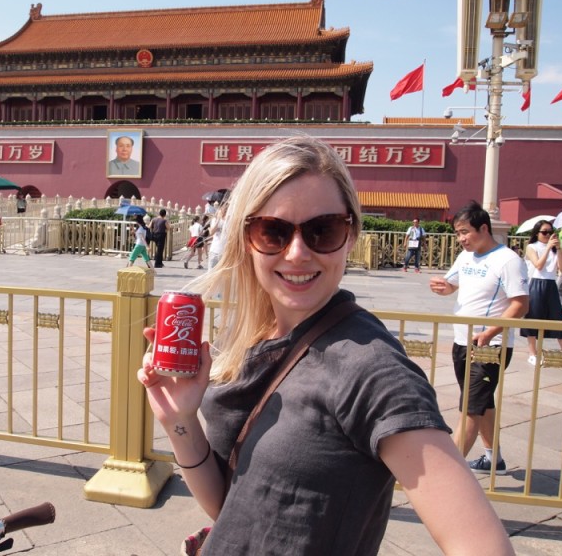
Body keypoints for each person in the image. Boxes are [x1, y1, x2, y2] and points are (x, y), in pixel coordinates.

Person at [139, 138, 514, 555]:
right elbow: (231, 507)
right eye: (273, 231)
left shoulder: (370, 368)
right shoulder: (253, 338)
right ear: (246, 238)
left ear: (350, 234)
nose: (297, 253)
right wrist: (181, 420)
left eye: (323, 230)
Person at [430, 201, 529, 473]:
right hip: (463, 341)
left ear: (484, 228)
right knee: (481, 402)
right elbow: (454, 285)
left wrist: (490, 331)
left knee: (470, 408)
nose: (461, 238)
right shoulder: (466, 257)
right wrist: (445, 287)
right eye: (457, 233)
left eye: (465, 232)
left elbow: (520, 304)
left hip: (490, 347)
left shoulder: (508, 260)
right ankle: (493, 458)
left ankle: (447, 473)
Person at [521, 221, 562, 366]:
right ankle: (532, 353)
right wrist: (548, 248)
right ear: (537, 233)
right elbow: (538, 265)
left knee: (557, 318)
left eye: (550, 232)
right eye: (544, 232)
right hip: (535, 283)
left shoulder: (555, 248)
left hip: (550, 284)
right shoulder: (532, 247)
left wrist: (558, 249)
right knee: (533, 317)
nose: (548, 235)